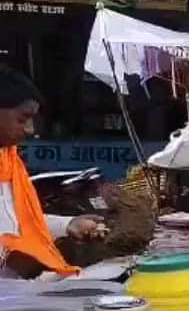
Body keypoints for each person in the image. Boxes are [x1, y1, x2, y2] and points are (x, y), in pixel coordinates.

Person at [0, 67, 108, 279]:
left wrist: (67, 225)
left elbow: (18, 222)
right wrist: (8, 257)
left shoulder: (9, 161)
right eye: (22, 119)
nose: (30, 130)